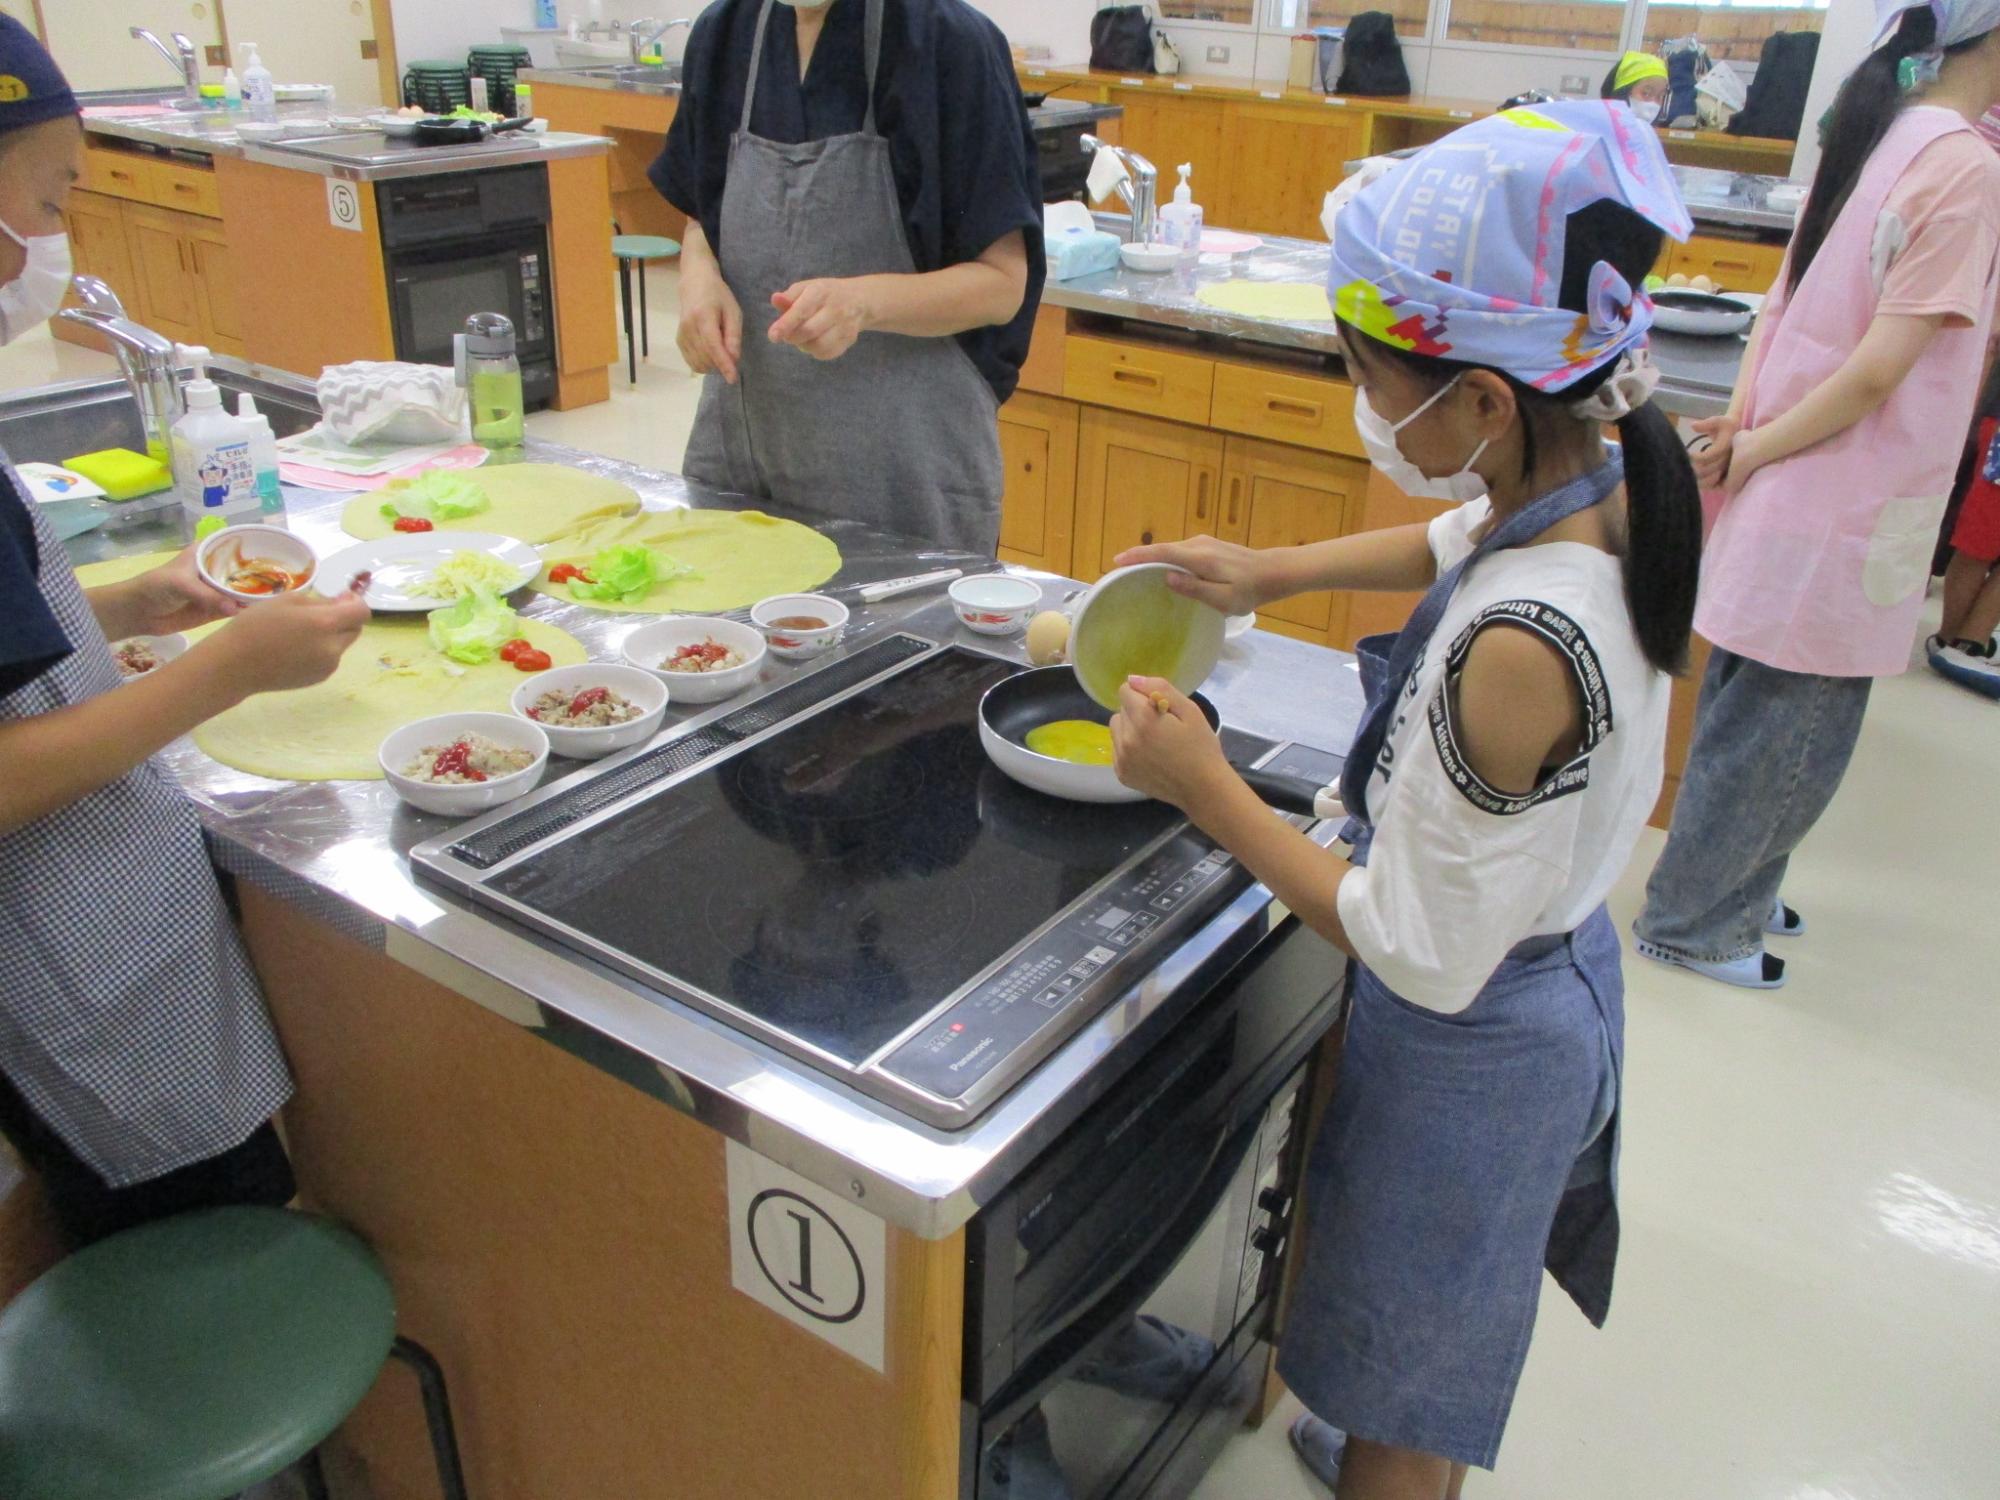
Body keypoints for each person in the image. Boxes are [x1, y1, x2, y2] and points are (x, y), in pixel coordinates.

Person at [1109, 102, 1702, 1500]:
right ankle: (1390, 1438)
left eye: (1371, 379)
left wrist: (1203, 785)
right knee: (1427, 1330)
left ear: (1484, 402)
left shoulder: (1520, 648)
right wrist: (1267, 572)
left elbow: (1417, 947)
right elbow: (1453, 535)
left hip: (1475, 1037)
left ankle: (1394, 1463)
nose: (1366, 405)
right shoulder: (1604, 473)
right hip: (1544, 976)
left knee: (1405, 1377)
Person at [0, 18, 371, 1247]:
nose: (55, 236)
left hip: (98, 918)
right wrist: (226, 672)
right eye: (50, 198)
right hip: (65, 966)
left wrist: (120, 606)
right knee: (192, 1227)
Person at [1635, 0, 2000, 988]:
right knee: (1792, 732)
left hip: (1792, 469)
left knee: (1747, 708)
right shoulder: (1963, 167)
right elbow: (1878, 371)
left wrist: (1746, 435)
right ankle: (1696, 922)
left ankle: (1730, 889)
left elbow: (1783, 301)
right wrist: (1751, 447)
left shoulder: (1878, 129)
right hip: (1842, 487)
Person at [648, 0, 1045, 555]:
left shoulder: (948, 42)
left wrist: (864, 303)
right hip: (746, 465)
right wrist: (698, 275)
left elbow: (1002, 284)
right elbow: (701, 212)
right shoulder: (725, 33)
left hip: (904, 485)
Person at [1600, 50, 1671, 124]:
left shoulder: (1647, 131)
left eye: (1660, 96)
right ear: (1624, 92)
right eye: (1646, 93)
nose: (1653, 103)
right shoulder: (1598, 129)